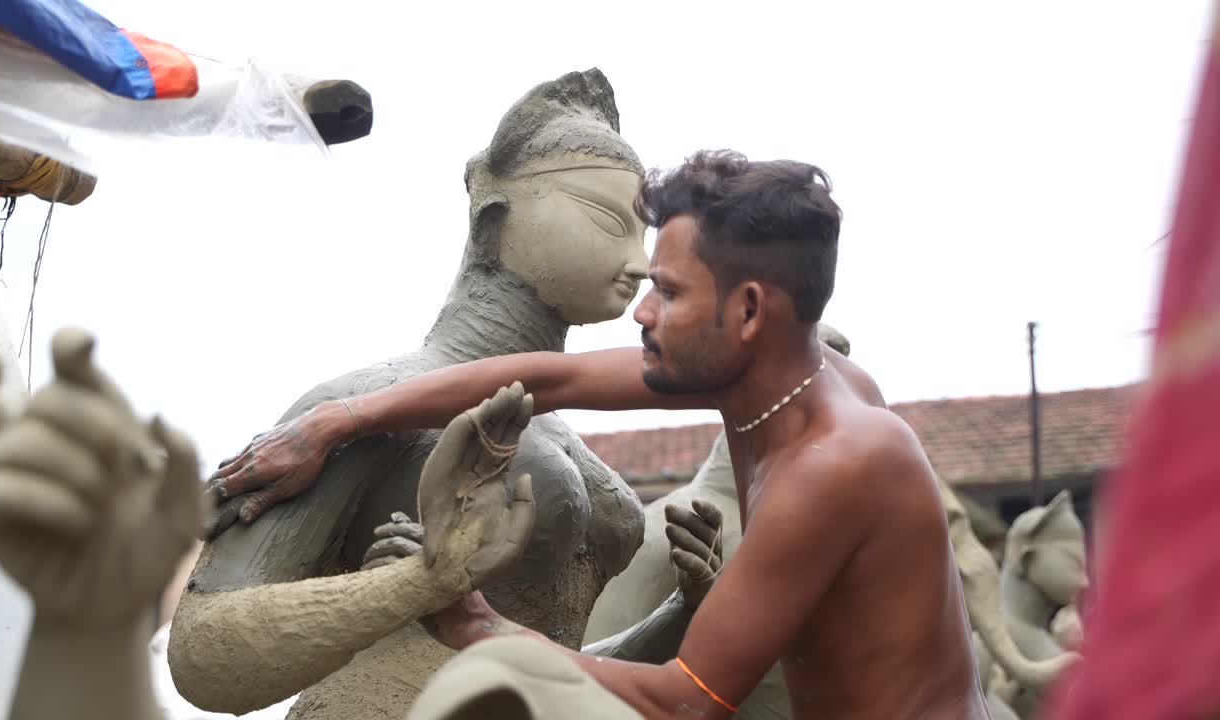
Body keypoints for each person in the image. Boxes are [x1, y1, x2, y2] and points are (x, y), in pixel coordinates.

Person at [212, 150, 990, 719]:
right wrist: (340, 420)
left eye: (669, 292)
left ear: (750, 312)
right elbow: (547, 380)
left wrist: (478, 624)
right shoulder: (779, 382)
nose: (641, 312)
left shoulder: (836, 464)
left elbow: (688, 701)